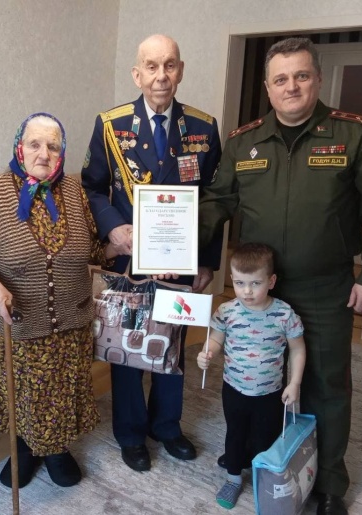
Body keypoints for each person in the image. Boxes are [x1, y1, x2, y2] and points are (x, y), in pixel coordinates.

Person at [199, 37, 362, 515]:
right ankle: (266, 461)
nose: (291, 86)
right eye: (281, 79)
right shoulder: (243, 141)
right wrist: (179, 251)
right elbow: (216, 203)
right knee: (257, 380)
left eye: (301, 75)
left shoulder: (355, 134)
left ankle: (329, 483)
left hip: (325, 287)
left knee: (326, 383)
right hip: (257, 291)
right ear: (268, 88)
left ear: (318, 79)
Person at [81, 34, 222, 472]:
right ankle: (129, 432)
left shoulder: (203, 128)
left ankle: (166, 426)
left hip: (180, 262)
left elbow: (214, 198)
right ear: (137, 74)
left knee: (172, 343)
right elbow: (91, 187)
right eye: (152, 66)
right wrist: (113, 227)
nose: (161, 76)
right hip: (128, 261)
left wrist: (207, 259)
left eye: (170, 65)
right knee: (126, 345)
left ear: (180, 70)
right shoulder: (111, 124)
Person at [0, 113, 118, 489]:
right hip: (18, 321)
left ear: (62, 152)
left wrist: (118, 246)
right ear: (19, 147)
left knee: (61, 391)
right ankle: (23, 447)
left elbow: (93, 251)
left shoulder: (76, 192)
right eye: (34, 144)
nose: (44, 153)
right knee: (22, 391)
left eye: (53, 145)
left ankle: (56, 449)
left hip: (71, 319)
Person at [197, 242, 306, 509]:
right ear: (232, 279)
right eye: (239, 283)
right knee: (234, 433)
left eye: (255, 283)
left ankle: (263, 478)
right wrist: (207, 352)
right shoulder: (227, 311)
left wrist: (295, 383)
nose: (247, 291)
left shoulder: (284, 314)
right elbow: (216, 339)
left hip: (270, 393)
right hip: (233, 389)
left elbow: (297, 348)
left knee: (264, 437)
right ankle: (233, 478)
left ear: (271, 281)